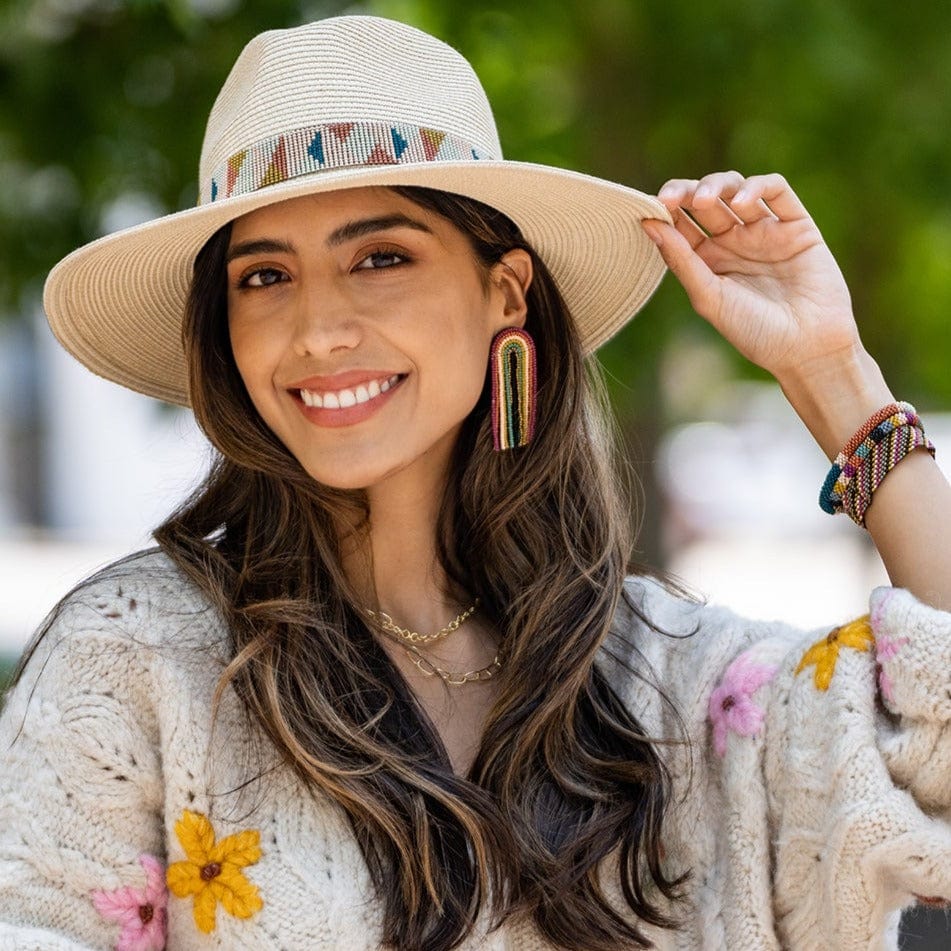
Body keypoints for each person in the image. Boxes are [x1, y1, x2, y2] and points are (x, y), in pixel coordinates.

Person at [0, 14, 949, 951]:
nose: (317, 330)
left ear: (505, 292)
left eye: (380, 258)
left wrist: (834, 377)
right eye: (263, 277)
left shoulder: (670, 682)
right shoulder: (139, 656)